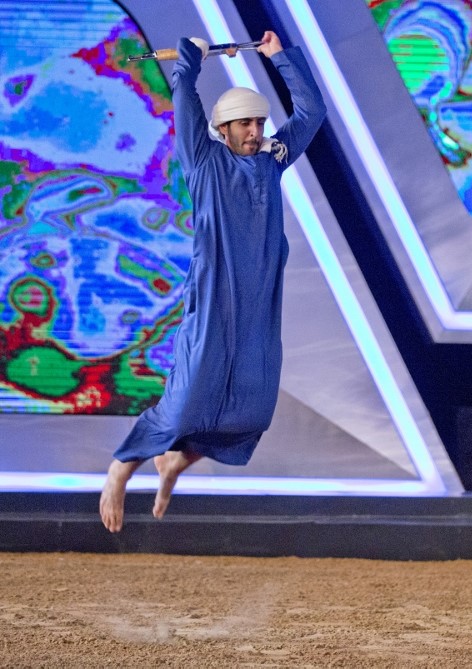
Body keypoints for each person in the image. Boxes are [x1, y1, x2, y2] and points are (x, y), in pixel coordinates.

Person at [99, 31, 326, 532]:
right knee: (186, 402)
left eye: (259, 123)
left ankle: (175, 463)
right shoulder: (204, 159)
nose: (255, 131)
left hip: (259, 302)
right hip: (213, 297)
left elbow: (312, 113)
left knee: (251, 410)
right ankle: (123, 466)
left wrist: (279, 57)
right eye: (245, 123)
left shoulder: (273, 160)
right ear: (223, 128)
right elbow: (184, 97)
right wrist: (191, 58)